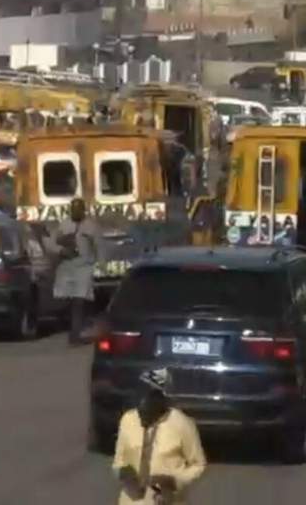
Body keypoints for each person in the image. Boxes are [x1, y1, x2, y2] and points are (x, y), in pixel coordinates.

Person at [113, 369, 206, 505]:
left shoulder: (182, 424)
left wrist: (173, 481)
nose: (142, 401)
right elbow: (118, 461)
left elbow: (198, 464)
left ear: (163, 399)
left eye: (149, 396)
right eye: (140, 394)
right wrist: (124, 474)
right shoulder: (128, 420)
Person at [51, 198, 104, 345]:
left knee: (79, 301)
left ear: (83, 210)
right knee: (67, 301)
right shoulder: (64, 225)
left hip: (84, 267)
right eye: (73, 209)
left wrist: (101, 264)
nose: (76, 211)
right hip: (66, 267)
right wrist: (61, 251)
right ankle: (73, 328)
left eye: (79, 209)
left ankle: (75, 334)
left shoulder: (91, 226)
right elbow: (51, 243)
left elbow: (99, 246)